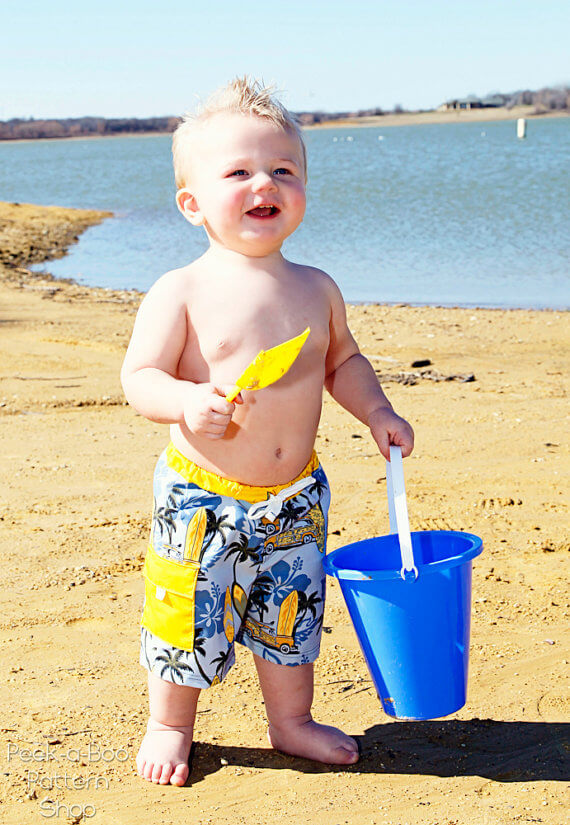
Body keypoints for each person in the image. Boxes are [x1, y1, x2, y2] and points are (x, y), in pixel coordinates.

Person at [121, 77, 414, 787]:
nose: (265, 182)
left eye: (284, 169)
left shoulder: (316, 287)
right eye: (240, 171)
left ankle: (290, 721)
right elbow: (140, 378)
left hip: (294, 496)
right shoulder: (181, 290)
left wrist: (376, 411)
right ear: (193, 203)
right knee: (186, 614)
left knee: (292, 615)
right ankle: (172, 723)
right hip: (203, 499)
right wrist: (188, 400)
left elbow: (343, 361)